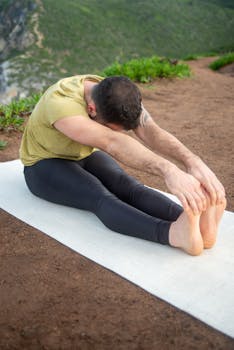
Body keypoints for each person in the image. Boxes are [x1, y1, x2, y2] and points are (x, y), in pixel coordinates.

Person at [20, 74, 226, 256]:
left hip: (83, 155)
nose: (118, 132)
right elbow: (113, 142)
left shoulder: (116, 95)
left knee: (129, 186)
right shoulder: (62, 105)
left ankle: (196, 226)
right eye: (114, 128)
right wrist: (168, 170)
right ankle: (173, 234)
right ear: (91, 110)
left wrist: (192, 162)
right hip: (43, 165)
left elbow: (150, 130)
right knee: (99, 196)